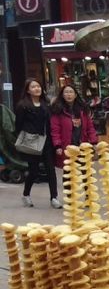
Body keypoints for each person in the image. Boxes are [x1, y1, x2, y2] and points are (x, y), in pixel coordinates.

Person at [15, 78, 61, 209]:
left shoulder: (45, 104)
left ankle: (54, 197)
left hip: (46, 141)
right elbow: (18, 124)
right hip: (31, 142)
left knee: (50, 170)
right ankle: (26, 194)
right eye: (33, 87)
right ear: (28, 90)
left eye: (38, 86)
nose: (37, 89)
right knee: (33, 170)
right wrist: (26, 136)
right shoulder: (23, 105)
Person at [50, 84, 98, 175]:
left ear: (75, 95)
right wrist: (57, 145)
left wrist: (93, 141)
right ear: (62, 95)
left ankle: (88, 189)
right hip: (67, 147)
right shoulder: (57, 111)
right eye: (66, 92)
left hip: (82, 145)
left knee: (87, 174)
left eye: (71, 92)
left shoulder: (83, 110)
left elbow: (90, 127)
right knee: (69, 176)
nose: (69, 95)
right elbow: (55, 130)